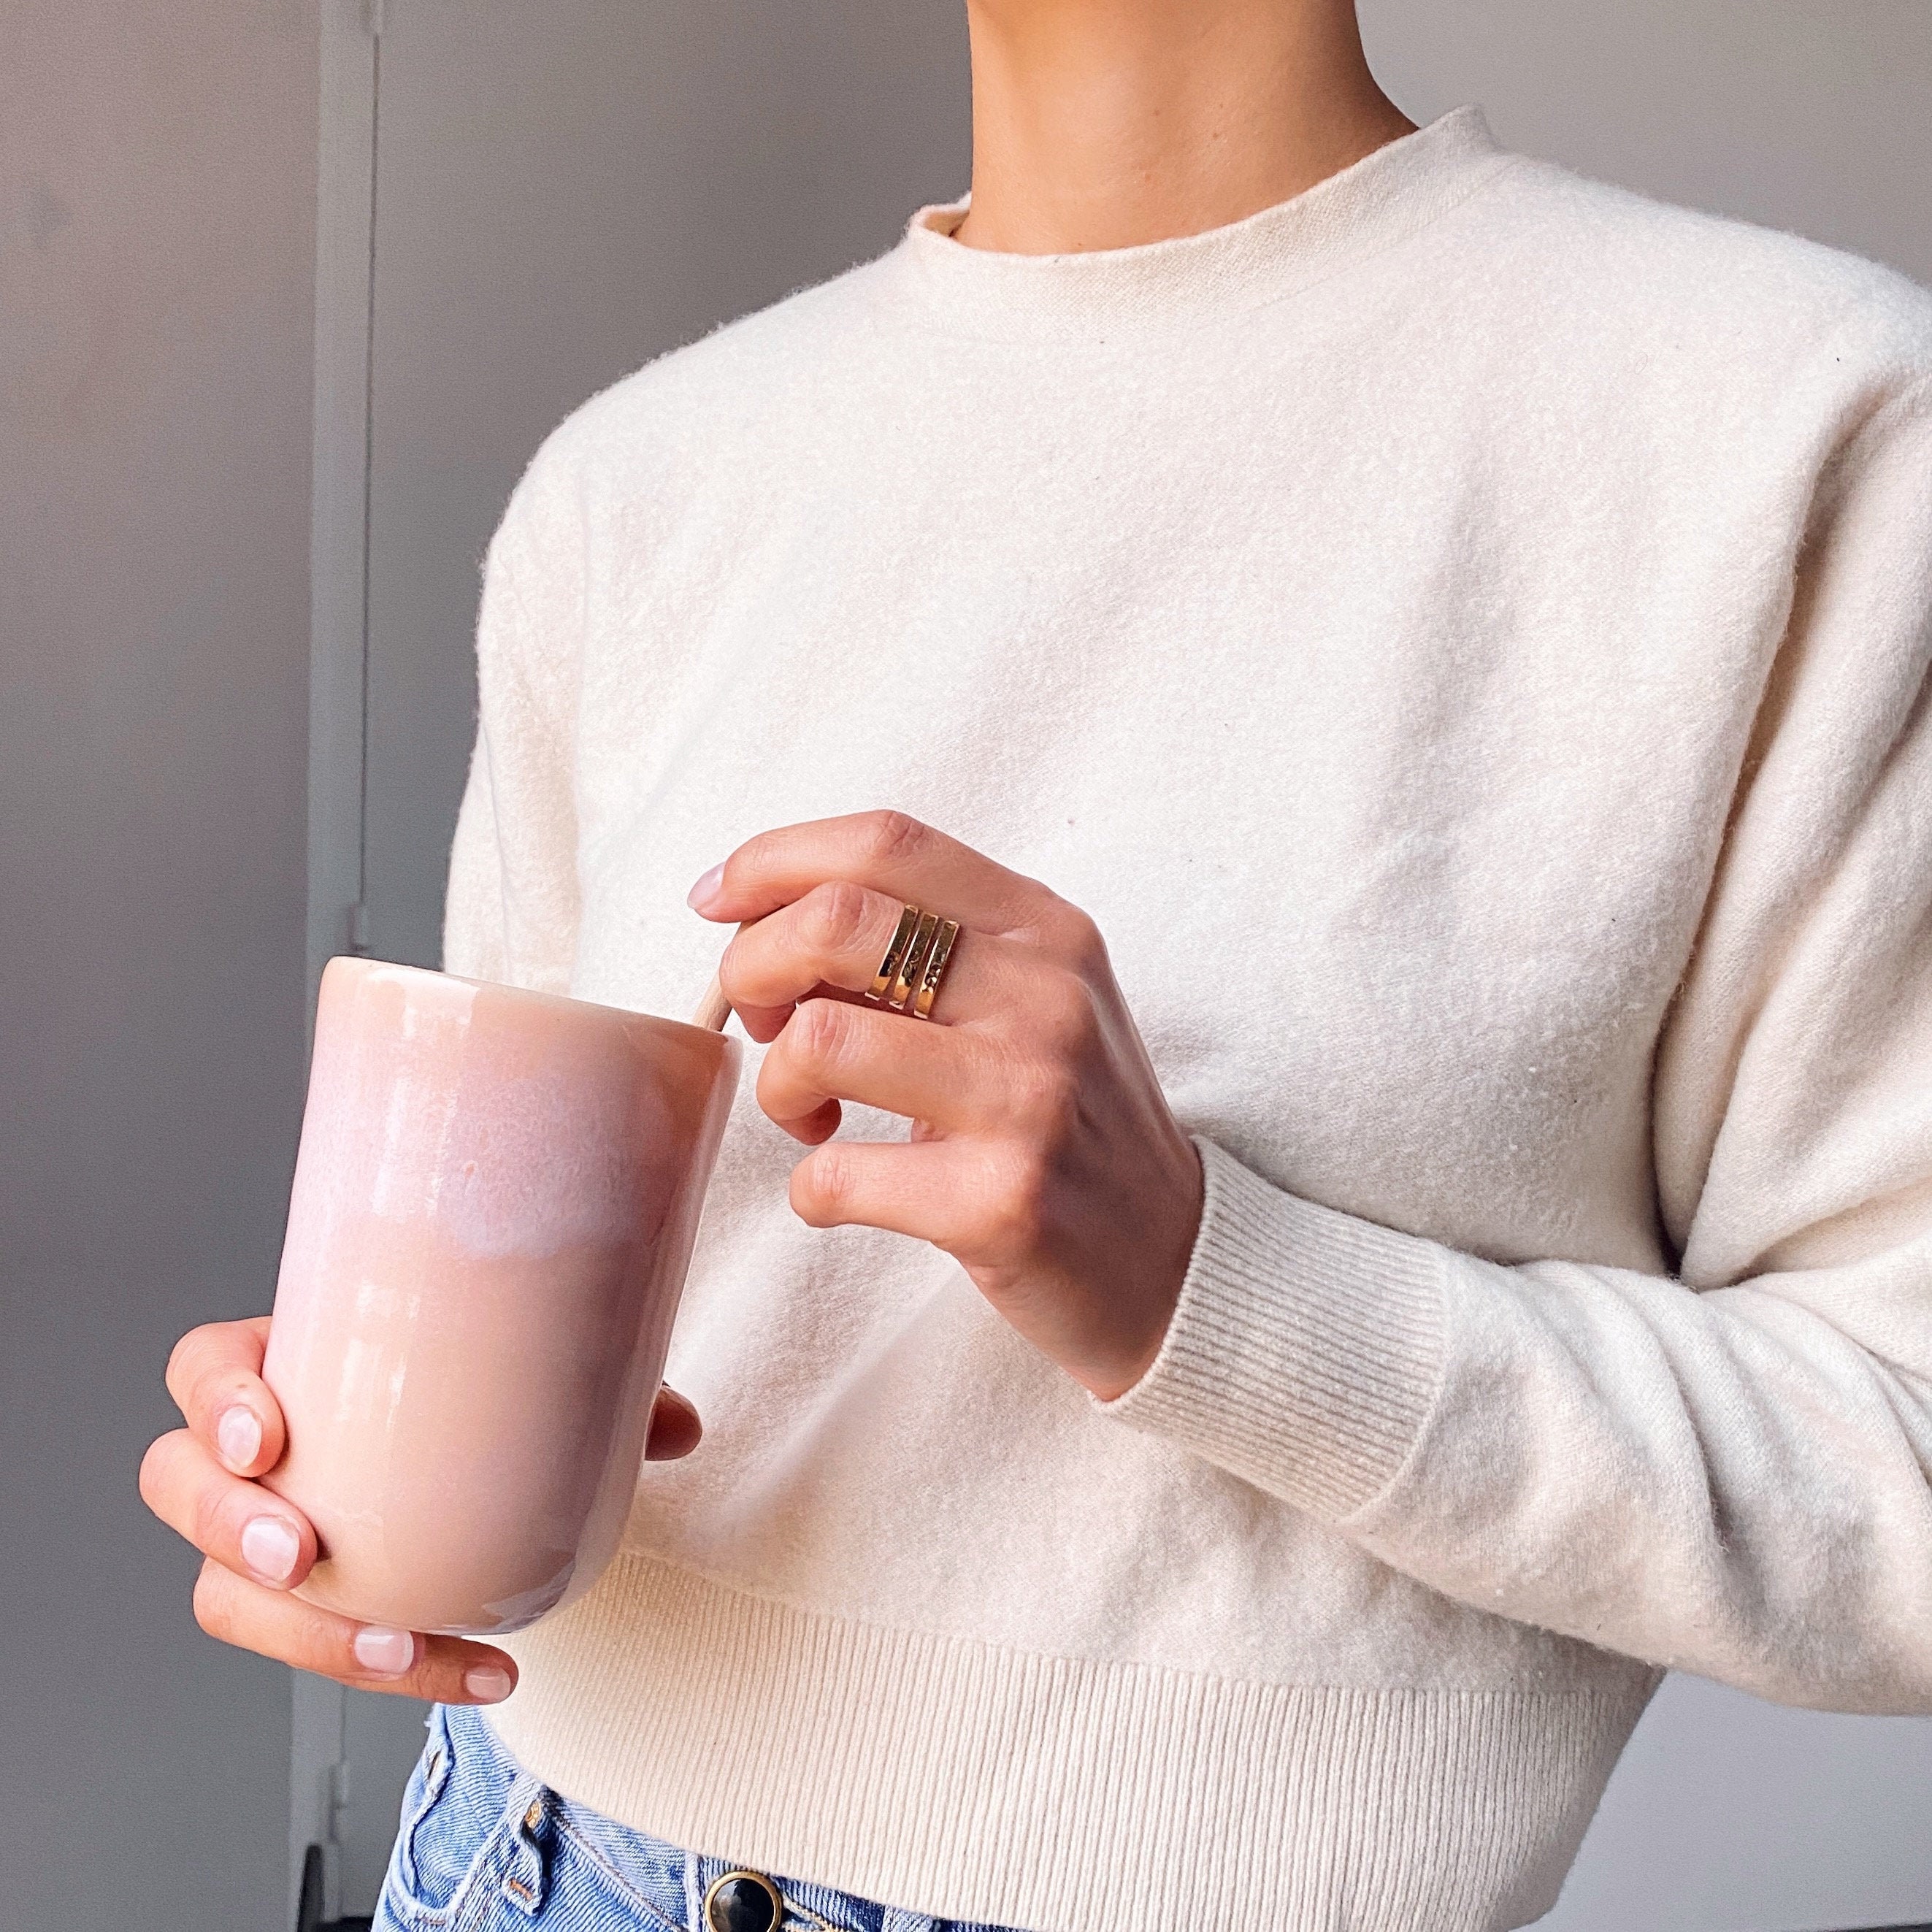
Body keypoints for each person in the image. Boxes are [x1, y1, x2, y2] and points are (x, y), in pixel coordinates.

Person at [141, 0, 1932, 1926]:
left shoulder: (1797, 427)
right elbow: (515, 1274)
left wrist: (1207, 1276)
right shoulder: (632, 483)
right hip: (513, 1853)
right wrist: (344, 1464)